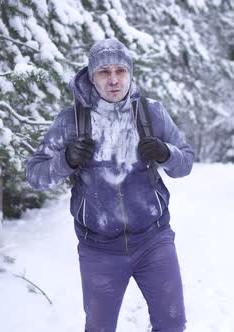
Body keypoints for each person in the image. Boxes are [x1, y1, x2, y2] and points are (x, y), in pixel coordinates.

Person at [26, 38, 194, 332]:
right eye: (104, 72)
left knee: (172, 324)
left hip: (153, 240)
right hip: (99, 249)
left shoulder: (151, 113)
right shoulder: (72, 121)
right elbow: (35, 174)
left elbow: (186, 163)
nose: (114, 80)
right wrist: (66, 159)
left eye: (120, 71)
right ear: (92, 76)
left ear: (130, 73)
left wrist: (166, 153)